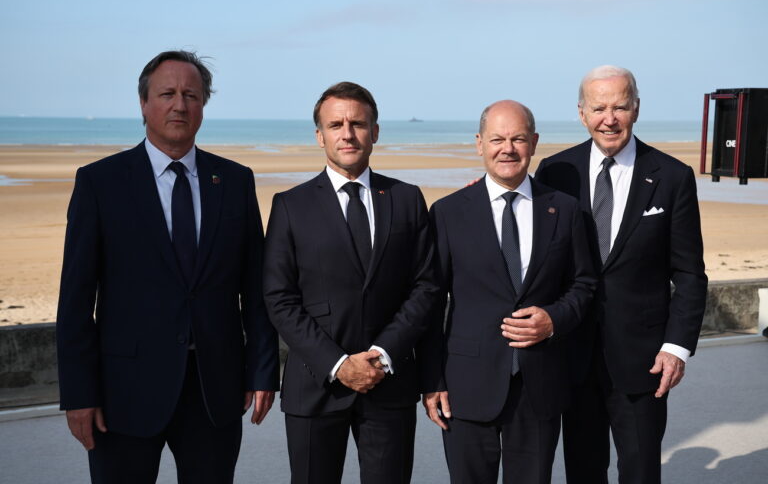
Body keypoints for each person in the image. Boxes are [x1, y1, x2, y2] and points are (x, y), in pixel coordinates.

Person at [56, 50, 280, 483]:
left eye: (192, 95)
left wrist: (263, 371)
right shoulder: (100, 183)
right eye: (168, 93)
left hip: (214, 390)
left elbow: (255, 290)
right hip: (123, 393)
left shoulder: (235, 181)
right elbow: (76, 300)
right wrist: (78, 394)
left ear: (203, 106)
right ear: (144, 104)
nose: (180, 104)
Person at [535, 65, 708, 484]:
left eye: (619, 107)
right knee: (582, 470)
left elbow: (689, 274)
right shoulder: (555, 172)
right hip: (572, 354)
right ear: (581, 113)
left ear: (636, 109)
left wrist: (677, 348)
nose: (608, 118)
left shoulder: (672, 176)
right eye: (598, 108)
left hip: (644, 359)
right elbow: (536, 248)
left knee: (640, 469)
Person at [263, 82, 439, 484]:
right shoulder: (290, 205)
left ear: (374, 132)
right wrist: (338, 365)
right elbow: (279, 298)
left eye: (358, 123)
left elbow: (425, 287)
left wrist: (382, 353)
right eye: (336, 124)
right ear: (319, 135)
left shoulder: (407, 199)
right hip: (314, 386)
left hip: (388, 382)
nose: (347, 133)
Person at [421, 100, 597, 483]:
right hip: (465, 385)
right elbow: (431, 302)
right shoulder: (448, 212)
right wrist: (432, 379)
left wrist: (554, 319)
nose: (508, 148)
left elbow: (584, 284)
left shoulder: (565, 210)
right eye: (498, 138)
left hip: (540, 385)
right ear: (479, 143)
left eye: (518, 138)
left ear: (534, 143)